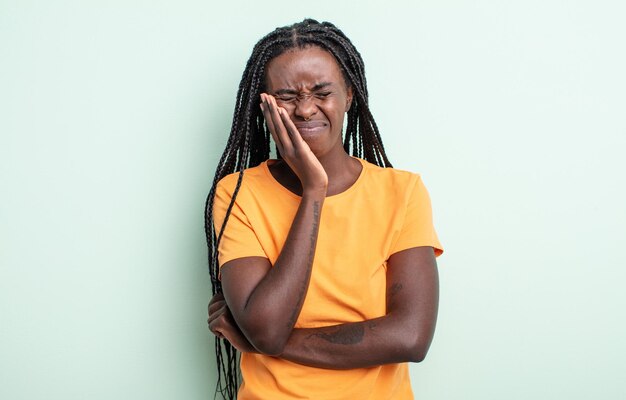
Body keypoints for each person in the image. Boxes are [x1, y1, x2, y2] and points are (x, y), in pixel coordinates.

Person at [205, 19, 443, 400]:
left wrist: (268, 342)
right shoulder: (237, 194)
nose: (304, 109)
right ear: (263, 104)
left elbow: (411, 337)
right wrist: (315, 190)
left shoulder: (403, 192)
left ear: (349, 94)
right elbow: (266, 327)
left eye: (321, 92)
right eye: (285, 95)